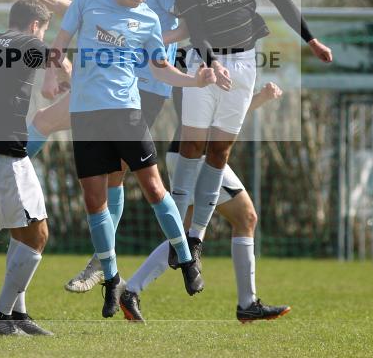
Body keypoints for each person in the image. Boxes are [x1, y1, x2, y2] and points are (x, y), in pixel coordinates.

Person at [0, 0, 187, 293]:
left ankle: (101, 263)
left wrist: (175, 50)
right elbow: (75, 8)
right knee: (43, 121)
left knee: (116, 177)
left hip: (141, 92)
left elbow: (190, 22)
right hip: (97, 89)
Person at [169, 0, 333, 317]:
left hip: (244, 63)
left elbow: (280, 0)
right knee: (192, 147)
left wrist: (310, 40)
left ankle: (195, 239)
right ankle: (179, 237)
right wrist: (209, 63)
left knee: (220, 153)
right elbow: (198, 29)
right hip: (205, 63)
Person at [42, 0, 215, 318]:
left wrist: (194, 80)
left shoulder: (148, 18)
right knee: (94, 200)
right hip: (86, 115)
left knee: (153, 187)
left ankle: (186, 261)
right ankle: (111, 280)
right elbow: (59, 44)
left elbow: (162, 68)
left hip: (126, 112)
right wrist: (54, 70)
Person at [120, 82, 291, 323]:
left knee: (184, 235)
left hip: (187, 153)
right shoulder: (207, 59)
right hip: (199, 158)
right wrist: (261, 98)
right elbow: (220, 119)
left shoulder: (198, 58)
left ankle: (131, 291)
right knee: (246, 217)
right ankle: (247, 304)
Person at [0, 0, 71, 336]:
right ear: (34, 26)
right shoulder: (27, 41)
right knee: (39, 234)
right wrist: (68, 80)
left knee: (21, 232)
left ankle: (18, 314)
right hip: (4, 152)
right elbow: (54, 56)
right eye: (43, 30)